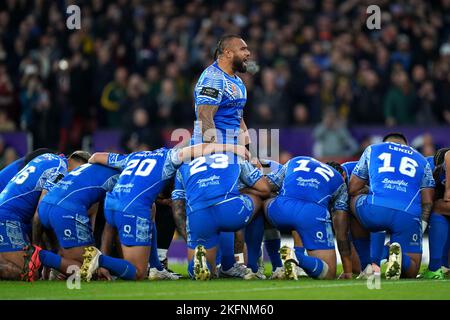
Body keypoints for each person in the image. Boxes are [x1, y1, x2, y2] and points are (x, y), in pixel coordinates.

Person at [79, 143, 249, 281]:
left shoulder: (132, 157)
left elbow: (95, 157)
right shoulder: (168, 157)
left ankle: (156, 267)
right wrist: (232, 148)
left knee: (151, 208)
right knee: (138, 272)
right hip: (132, 209)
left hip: (111, 205)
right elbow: (200, 148)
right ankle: (100, 259)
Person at [349, 133, 435, 279]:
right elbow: (428, 201)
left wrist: (369, 191)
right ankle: (392, 253)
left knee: (352, 199)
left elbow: (352, 188)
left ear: (386, 143)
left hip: (376, 210)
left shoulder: (373, 149)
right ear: (407, 145)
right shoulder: (421, 159)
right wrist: (422, 225)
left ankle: (368, 266)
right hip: (408, 215)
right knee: (412, 270)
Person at [173, 151, 271, 280]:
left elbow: (178, 208)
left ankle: (202, 265)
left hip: (198, 215)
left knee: (210, 271)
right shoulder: (235, 155)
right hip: (230, 209)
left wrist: (190, 238)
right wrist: (243, 191)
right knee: (258, 199)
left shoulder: (183, 164)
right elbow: (265, 189)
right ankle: (253, 267)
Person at [34, 153, 123, 279]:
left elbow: (88, 232)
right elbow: (109, 226)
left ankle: (55, 263)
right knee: (89, 270)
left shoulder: (80, 175)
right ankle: (41, 256)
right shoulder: (121, 179)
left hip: (46, 207)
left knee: (89, 262)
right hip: (65, 210)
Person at [0, 151, 86, 281]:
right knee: (28, 272)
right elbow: (39, 215)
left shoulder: (48, 158)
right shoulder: (61, 171)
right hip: (7, 217)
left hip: (9, 214)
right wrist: (34, 250)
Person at [264, 156, 351, 280]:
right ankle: (297, 257)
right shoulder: (339, 181)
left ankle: (257, 266)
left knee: (264, 199)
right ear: (343, 175)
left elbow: (267, 186)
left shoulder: (296, 160)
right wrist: (348, 271)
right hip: (312, 216)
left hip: (281, 210)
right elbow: (341, 232)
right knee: (328, 273)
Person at [192, 34, 251, 146]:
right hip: (216, 152)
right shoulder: (213, 78)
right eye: (243, 49)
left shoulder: (237, 81)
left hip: (232, 150)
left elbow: (239, 119)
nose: (248, 53)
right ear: (228, 53)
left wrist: (251, 155)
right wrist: (215, 154)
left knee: (270, 164)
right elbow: (204, 116)